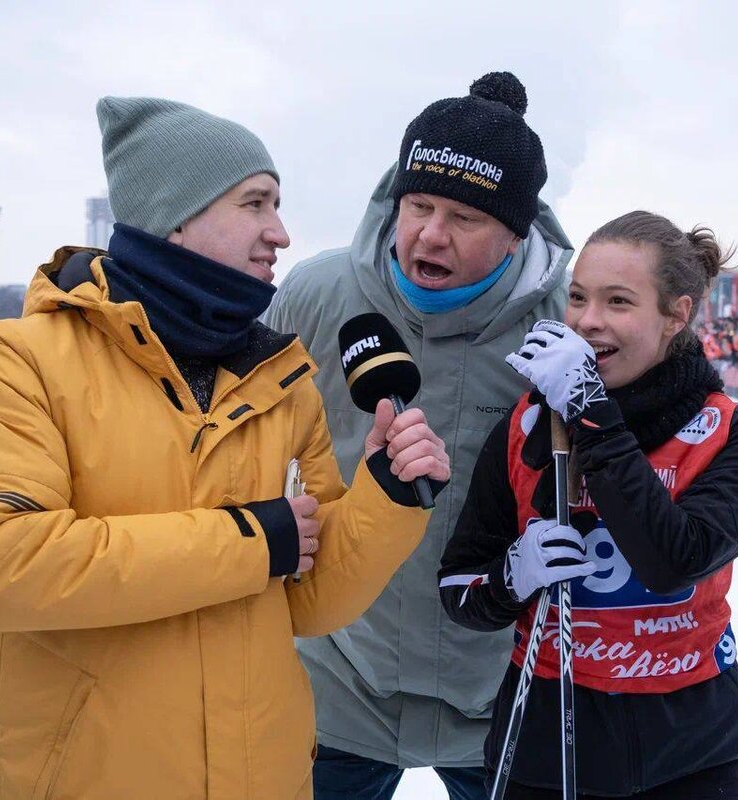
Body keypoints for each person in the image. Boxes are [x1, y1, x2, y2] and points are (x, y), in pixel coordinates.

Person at [0, 97, 450, 799]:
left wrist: (384, 498)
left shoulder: (281, 381)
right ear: (175, 216)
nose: (280, 233)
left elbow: (309, 600)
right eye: (256, 203)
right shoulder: (21, 361)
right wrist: (249, 542)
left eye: (277, 206)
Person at [262, 72, 571, 798]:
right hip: (338, 682)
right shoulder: (318, 295)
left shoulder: (564, 320)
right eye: (419, 205)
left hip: (500, 694)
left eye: (464, 216)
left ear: (515, 233)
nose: (431, 234)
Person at [439, 211, 738, 799]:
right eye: (577, 298)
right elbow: (457, 587)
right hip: (545, 754)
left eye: (618, 301)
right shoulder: (527, 428)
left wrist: (589, 409)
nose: (588, 321)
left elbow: (673, 560)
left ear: (676, 314)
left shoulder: (735, 435)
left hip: (692, 758)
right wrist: (511, 577)